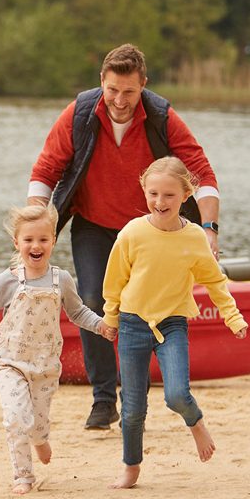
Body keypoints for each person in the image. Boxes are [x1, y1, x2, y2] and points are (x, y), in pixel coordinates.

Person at [27, 43, 221, 430]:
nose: (119, 100)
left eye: (129, 92)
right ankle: (103, 400)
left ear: (143, 86)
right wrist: (34, 223)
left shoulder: (162, 116)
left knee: (144, 308)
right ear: (102, 81)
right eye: (113, 90)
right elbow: (46, 170)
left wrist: (210, 230)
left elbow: (202, 175)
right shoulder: (81, 113)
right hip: (93, 225)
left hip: (151, 230)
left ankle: (135, 395)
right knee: (94, 299)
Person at [0, 204, 117, 495]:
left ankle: (40, 437)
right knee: (17, 417)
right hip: (9, 360)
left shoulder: (62, 279)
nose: (36, 245)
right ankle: (23, 475)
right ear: (16, 243)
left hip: (45, 364)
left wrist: (102, 326)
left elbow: (78, 312)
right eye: (28, 240)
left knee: (37, 421)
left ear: (53, 242)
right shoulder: (6, 281)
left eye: (43, 239)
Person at [103, 156, 247, 489]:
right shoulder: (132, 233)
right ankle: (131, 466)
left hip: (172, 325)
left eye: (168, 195)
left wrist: (232, 316)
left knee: (177, 395)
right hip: (132, 324)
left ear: (186, 196)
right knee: (134, 408)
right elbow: (114, 281)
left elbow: (214, 281)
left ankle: (196, 423)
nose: (159, 201)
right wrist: (110, 317)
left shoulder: (195, 237)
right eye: (153, 193)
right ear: (143, 190)